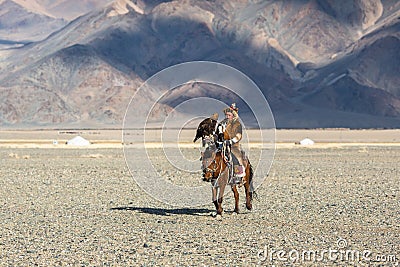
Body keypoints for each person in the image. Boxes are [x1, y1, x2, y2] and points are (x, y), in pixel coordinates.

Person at [221, 103, 245, 181]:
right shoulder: (223, 123)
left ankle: (239, 175)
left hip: (234, 146)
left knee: (237, 157)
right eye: (226, 115)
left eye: (229, 115)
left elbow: (239, 135)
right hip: (223, 144)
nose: (227, 117)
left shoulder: (237, 125)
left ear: (233, 116)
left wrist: (232, 141)